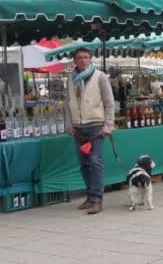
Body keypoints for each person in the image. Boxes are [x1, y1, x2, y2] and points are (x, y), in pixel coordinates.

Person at [65, 48, 114, 215]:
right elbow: (68, 103)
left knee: (94, 162)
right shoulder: (70, 79)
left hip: (95, 126)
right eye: (79, 57)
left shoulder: (100, 76)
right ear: (74, 61)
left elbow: (109, 102)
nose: (83, 60)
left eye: (86, 57)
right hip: (78, 127)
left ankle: (96, 199)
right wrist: (69, 123)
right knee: (84, 164)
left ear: (90, 59)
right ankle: (90, 195)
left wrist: (108, 125)